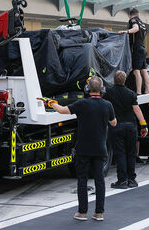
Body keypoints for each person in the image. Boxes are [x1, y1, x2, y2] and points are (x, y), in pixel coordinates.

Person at [50, 77, 117, 221]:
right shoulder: (107, 105)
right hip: (100, 148)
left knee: (82, 180)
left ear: (87, 89)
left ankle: (82, 212)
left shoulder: (82, 104)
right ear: (102, 89)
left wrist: (52, 103)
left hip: (83, 148)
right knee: (100, 180)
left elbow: (62, 110)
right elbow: (114, 123)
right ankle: (99, 213)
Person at [103, 71, 148, 189]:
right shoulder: (131, 93)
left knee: (120, 153)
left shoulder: (109, 92)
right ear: (125, 80)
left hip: (116, 126)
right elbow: (137, 110)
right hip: (131, 126)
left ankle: (122, 180)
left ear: (114, 80)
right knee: (131, 153)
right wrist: (143, 125)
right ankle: (132, 179)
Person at [119, 8, 149, 95]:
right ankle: (147, 90)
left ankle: (139, 92)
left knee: (136, 71)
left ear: (130, 15)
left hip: (136, 48)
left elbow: (135, 28)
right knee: (144, 70)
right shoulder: (143, 23)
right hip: (143, 48)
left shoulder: (132, 20)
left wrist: (126, 31)